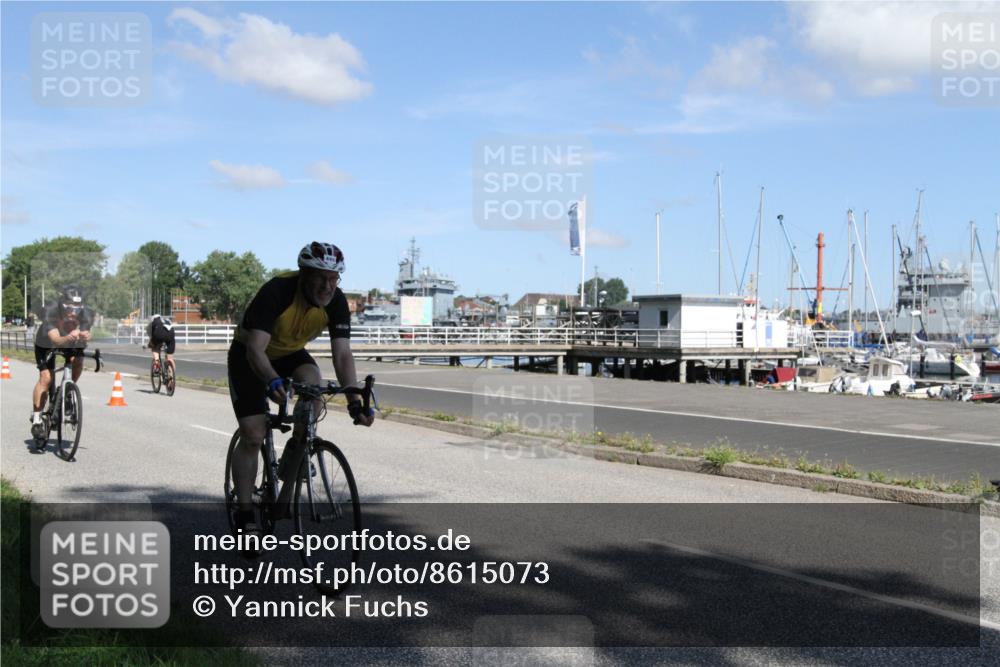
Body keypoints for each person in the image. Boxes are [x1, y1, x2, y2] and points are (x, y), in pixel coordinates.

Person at [227, 242, 374, 539]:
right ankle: (245, 513)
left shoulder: (336, 301)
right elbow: (256, 350)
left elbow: (342, 356)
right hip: (250, 355)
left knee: (314, 386)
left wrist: (354, 401)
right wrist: (271, 380)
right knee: (253, 434)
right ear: (304, 274)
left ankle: (298, 448)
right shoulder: (277, 291)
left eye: (333, 279)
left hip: (291, 354)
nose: (327, 286)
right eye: (321, 277)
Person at [31, 286, 94, 438]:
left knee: (78, 359)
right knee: (46, 378)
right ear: (62, 304)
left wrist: (86, 337)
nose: (73, 312)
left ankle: (67, 391)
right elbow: (56, 340)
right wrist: (69, 337)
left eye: (77, 308)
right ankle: (37, 419)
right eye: (69, 308)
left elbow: (86, 337)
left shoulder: (86, 314)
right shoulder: (51, 311)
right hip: (46, 342)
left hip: (69, 339)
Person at [147, 314, 177, 383]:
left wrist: (151, 344)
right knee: (170, 358)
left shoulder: (152, 323)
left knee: (154, 348)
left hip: (159, 335)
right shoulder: (166, 321)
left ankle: (157, 364)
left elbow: (150, 335)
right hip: (171, 335)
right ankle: (171, 377)